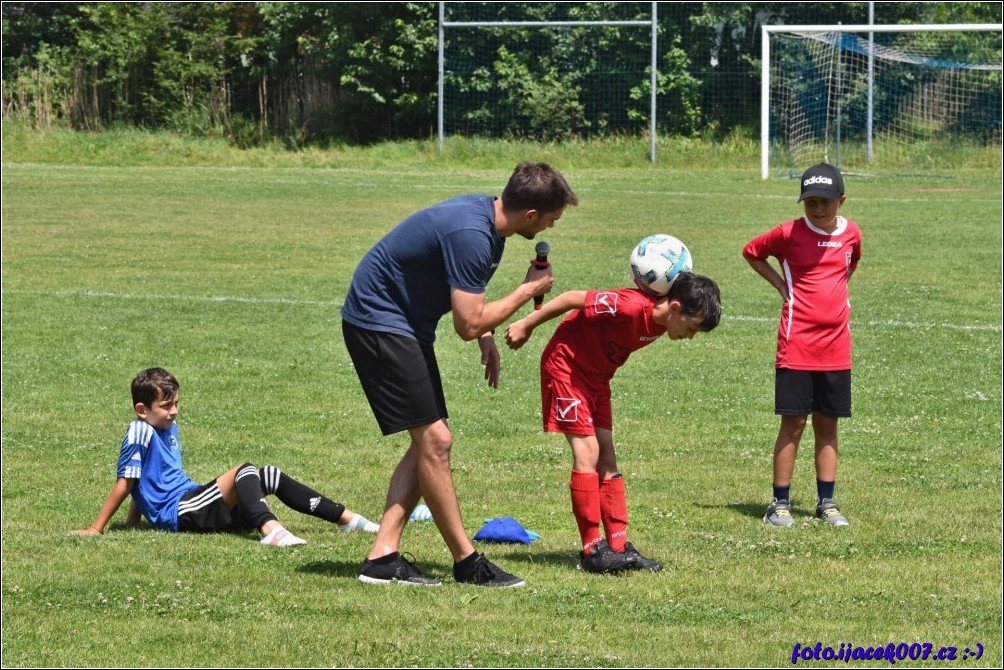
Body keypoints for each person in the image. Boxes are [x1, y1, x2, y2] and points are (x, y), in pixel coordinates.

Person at [341, 161, 578, 587]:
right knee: (436, 441)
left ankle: (382, 556)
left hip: (404, 324)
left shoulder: (490, 224)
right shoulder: (473, 235)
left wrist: (487, 335)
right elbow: (466, 324)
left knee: (428, 441)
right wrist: (528, 290)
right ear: (530, 215)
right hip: (378, 321)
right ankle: (467, 563)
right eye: (551, 219)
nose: (552, 227)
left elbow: (469, 305)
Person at [505, 271, 722, 574]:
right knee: (588, 451)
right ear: (675, 308)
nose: (690, 336)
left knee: (607, 454)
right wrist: (527, 324)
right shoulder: (629, 306)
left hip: (598, 379)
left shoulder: (663, 322)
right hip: (567, 369)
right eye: (691, 328)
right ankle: (592, 548)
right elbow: (572, 298)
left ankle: (619, 546)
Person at [71, 367, 380, 545]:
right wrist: (97, 529)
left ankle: (348, 520)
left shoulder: (167, 426)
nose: (174, 411)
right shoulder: (139, 431)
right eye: (166, 406)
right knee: (244, 469)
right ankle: (271, 531)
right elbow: (127, 482)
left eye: (176, 403)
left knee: (268, 475)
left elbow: (147, 479)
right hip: (181, 511)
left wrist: (133, 523)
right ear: (142, 410)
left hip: (192, 503)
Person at [742, 162, 862, 528]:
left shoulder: (852, 233)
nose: (818, 208)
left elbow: (850, 265)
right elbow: (752, 251)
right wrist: (780, 284)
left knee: (828, 425)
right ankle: (779, 504)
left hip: (836, 348)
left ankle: (827, 503)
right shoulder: (788, 233)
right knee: (793, 423)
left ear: (841, 200)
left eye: (826, 201)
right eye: (811, 202)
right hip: (797, 345)